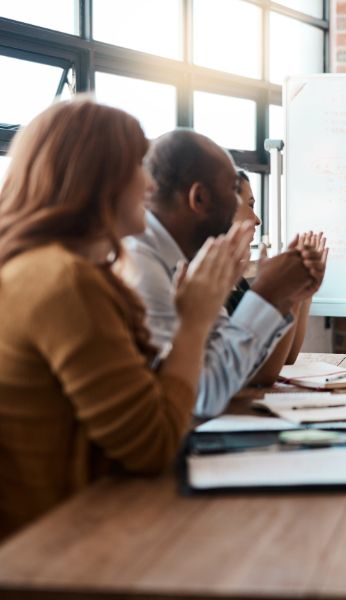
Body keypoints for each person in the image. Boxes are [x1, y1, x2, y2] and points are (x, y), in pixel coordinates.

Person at [0, 98, 251, 539]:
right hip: (54, 549)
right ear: (97, 180)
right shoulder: (66, 281)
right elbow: (153, 445)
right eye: (138, 165)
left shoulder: (43, 268)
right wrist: (194, 322)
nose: (149, 183)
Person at [124, 130, 326, 417]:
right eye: (233, 191)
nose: (242, 210)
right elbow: (204, 394)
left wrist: (283, 296)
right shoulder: (140, 265)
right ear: (200, 198)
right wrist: (267, 295)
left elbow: (231, 369)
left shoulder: (189, 259)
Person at [226, 170, 324, 383]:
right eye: (250, 205)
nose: (258, 220)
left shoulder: (237, 281)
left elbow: (285, 358)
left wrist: (299, 291)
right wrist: (278, 292)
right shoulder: (204, 284)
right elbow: (263, 371)